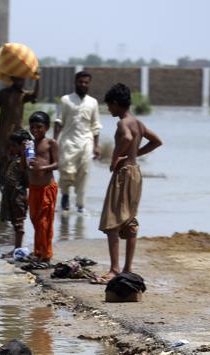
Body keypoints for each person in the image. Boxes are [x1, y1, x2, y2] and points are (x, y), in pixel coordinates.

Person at [97, 82, 163, 280]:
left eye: (109, 105)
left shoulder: (123, 123)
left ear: (117, 103)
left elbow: (125, 138)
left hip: (124, 173)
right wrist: (134, 154)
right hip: (135, 171)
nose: (108, 109)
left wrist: (116, 157)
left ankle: (115, 268)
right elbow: (157, 141)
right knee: (130, 219)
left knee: (112, 222)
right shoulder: (138, 123)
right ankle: (127, 268)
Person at [54, 71, 102, 212]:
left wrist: (97, 146)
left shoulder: (93, 102)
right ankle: (65, 196)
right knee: (66, 172)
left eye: (86, 82)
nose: (83, 84)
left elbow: (95, 125)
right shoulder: (65, 100)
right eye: (80, 82)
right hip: (68, 142)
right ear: (75, 82)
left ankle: (80, 205)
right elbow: (58, 122)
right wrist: (54, 142)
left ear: (89, 84)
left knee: (84, 172)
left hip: (87, 142)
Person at [0, 75, 40, 192]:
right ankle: (3, 188)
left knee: (20, 159)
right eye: (18, 79)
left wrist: (37, 79)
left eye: (22, 79)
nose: (21, 82)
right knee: (2, 161)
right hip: (2, 133)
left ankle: (18, 186)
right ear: (13, 80)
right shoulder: (3, 93)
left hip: (17, 134)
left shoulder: (23, 95)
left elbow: (35, 95)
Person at [27, 111, 59, 261]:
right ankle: (38, 251)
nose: (35, 130)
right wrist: (24, 155)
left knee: (44, 222)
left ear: (46, 127)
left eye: (39, 127)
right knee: (34, 219)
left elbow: (57, 164)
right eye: (32, 127)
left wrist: (42, 168)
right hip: (33, 188)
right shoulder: (29, 144)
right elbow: (24, 165)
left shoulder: (51, 143)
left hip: (47, 188)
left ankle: (46, 253)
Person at [0, 129, 31, 256]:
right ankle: (16, 248)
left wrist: (24, 152)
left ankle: (17, 248)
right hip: (10, 194)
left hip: (18, 194)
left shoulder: (24, 160)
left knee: (18, 222)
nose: (11, 148)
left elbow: (26, 176)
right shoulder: (14, 158)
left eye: (13, 146)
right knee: (13, 221)